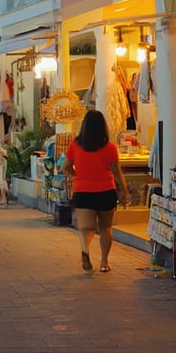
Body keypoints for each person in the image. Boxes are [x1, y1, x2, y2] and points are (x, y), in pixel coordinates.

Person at [62, 109, 129, 272]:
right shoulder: (110, 148)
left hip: (82, 191)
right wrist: (124, 191)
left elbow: (66, 166)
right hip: (105, 191)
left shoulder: (75, 145)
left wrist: (79, 175)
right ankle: (104, 263)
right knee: (105, 228)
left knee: (86, 227)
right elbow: (117, 172)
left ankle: (85, 250)